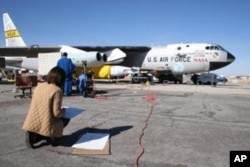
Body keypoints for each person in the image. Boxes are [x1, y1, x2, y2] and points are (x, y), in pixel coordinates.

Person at [22, 66, 70, 148]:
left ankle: (33, 134)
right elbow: (56, 113)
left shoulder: (39, 86)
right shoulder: (57, 90)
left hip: (34, 116)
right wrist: (64, 111)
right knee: (65, 119)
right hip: (47, 120)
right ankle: (49, 136)